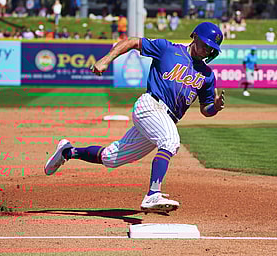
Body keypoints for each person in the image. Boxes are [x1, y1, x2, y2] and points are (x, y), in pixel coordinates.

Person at [44, 22, 226, 213]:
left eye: (211, 48)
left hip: (164, 120)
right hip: (150, 105)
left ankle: (68, 152)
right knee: (171, 141)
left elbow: (206, 109)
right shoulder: (167, 48)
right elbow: (132, 42)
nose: (206, 50)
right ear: (194, 36)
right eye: (205, 44)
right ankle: (153, 194)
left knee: (110, 158)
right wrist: (106, 60)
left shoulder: (207, 75)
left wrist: (216, 107)